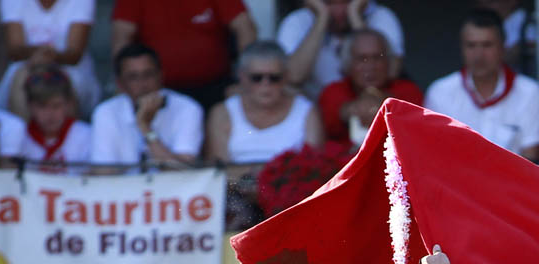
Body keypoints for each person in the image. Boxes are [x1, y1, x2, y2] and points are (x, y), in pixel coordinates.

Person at [205, 40, 323, 229]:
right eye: (257, 78)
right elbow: (219, 169)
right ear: (242, 77)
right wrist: (264, 181)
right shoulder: (222, 112)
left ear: (285, 78)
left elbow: (313, 168)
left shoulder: (306, 111)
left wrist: (267, 185)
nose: (265, 84)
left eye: (274, 78)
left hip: (290, 199)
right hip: (238, 195)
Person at [425, 7, 539, 160]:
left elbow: (531, 161)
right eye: (471, 45)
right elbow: (434, 156)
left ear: (503, 48)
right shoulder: (440, 93)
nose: (479, 55)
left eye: (487, 45)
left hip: (511, 182)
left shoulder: (529, 92)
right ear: (461, 48)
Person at [111, 0, 257, 113]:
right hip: (158, 88)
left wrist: (244, 80)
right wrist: (123, 82)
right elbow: (122, 37)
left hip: (214, 86)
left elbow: (245, 28)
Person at [90, 43, 203, 170]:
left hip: (175, 188)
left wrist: (145, 127)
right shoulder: (105, 112)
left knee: (231, 186)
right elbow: (104, 174)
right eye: (133, 77)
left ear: (161, 76)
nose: (143, 84)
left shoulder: (188, 108)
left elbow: (184, 171)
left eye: (148, 74)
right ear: (120, 84)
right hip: (123, 189)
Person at [0, 0, 100, 119]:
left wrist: (50, 56)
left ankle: (68, 137)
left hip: (70, 67)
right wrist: (43, 54)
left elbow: (74, 54)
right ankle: (24, 136)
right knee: (20, 81)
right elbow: (14, 50)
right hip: (26, 66)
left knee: (68, 84)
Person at [277, 0, 405, 97]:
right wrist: (321, 18)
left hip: (367, 105)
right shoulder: (298, 20)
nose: (339, 11)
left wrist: (355, 15)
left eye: (346, 1)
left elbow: (391, 72)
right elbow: (292, 77)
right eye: (329, 2)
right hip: (317, 110)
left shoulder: (381, 16)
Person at [317, 27, 422, 145]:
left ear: (389, 62)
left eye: (377, 58)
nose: (371, 66)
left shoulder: (408, 90)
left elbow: (415, 127)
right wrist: (350, 110)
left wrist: (379, 102)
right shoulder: (333, 91)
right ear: (348, 63)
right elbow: (330, 120)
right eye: (362, 59)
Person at [21, 64, 91, 171]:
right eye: (42, 106)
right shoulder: (21, 137)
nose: (50, 114)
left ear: (68, 104)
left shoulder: (86, 135)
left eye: (56, 106)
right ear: (30, 106)